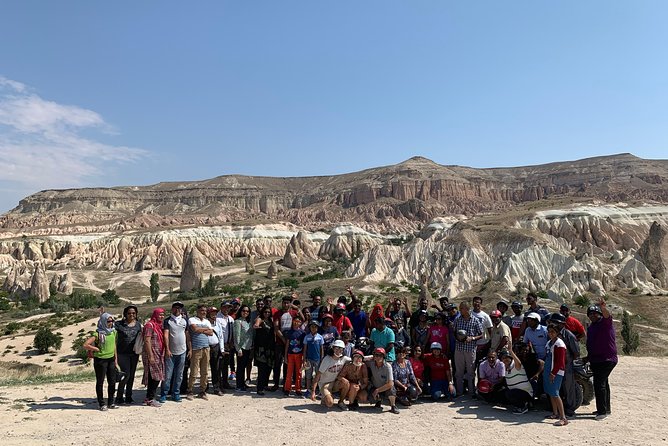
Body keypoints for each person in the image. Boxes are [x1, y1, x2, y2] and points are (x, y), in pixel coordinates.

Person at [583, 297, 617, 421]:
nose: (592, 315)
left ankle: (602, 412)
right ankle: (606, 409)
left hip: (607, 359)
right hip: (596, 359)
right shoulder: (591, 327)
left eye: (595, 313)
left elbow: (608, 316)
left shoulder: (604, 323)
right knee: (604, 384)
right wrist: (588, 357)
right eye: (590, 314)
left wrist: (603, 308)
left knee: (599, 384)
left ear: (599, 314)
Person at [84, 312, 118, 411]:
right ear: (103, 321)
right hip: (100, 361)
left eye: (112, 321)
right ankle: (101, 403)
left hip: (111, 359)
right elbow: (86, 344)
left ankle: (111, 402)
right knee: (100, 382)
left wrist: (116, 359)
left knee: (112, 382)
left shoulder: (113, 332)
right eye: (108, 321)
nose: (110, 323)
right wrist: (96, 349)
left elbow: (114, 346)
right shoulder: (97, 334)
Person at [549, 313, 580, 417]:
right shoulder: (552, 334)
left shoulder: (569, 335)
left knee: (568, 386)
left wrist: (568, 361)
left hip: (566, 365)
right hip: (554, 364)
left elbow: (576, 352)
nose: (553, 324)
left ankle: (570, 408)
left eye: (556, 323)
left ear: (562, 324)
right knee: (558, 387)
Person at [453, 301, 484, 396]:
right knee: (459, 372)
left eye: (461, 308)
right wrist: (457, 337)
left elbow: (482, 334)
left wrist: (472, 338)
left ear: (467, 309)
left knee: (470, 372)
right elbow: (454, 331)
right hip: (459, 348)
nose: (460, 310)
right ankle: (459, 392)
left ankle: (471, 392)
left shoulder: (475, 320)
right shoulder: (458, 320)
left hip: (470, 349)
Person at [161, 301, 188, 402]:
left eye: (179, 308)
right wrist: (167, 349)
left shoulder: (185, 321)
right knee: (168, 375)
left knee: (179, 374)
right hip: (170, 352)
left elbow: (187, 334)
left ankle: (176, 393)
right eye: (176, 308)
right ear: (172, 309)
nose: (178, 310)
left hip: (182, 351)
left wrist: (189, 348)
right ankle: (164, 393)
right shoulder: (168, 321)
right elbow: (166, 335)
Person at [310, 339, 350, 409]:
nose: (338, 351)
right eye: (337, 348)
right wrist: (313, 391)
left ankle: (340, 401)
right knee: (330, 403)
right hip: (324, 385)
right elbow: (318, 375)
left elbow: (358, 359)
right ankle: (324, 396)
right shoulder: (327, 359)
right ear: (333, 348)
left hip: (334, 383)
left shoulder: (344, 358)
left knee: (346, 382)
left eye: (341, 349)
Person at [115, 305, 141, 405]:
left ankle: (129, 397)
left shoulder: (138, 325)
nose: (131, 315)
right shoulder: (118, 325)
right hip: (122, 353)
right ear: (125, 314)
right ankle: (119, 396)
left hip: (134, 354)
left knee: (132, 375)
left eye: (133, 313)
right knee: (126, 375)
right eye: (129, 313)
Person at [187, 304, 213, 400]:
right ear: (197, 311)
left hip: (206, 348)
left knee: (205, 371)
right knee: (194, 371)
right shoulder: (192, 320)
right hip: (196, 349)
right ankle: (190, 390)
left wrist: (201, 330)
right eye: (202, 310)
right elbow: (194, 329)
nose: (204, 312)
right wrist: (206, 329)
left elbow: (211, 333)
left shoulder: (207, 321)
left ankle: (202, 390)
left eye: (205, 311)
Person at [544, 325, 568, 426]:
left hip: (556, 372)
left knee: (555, 393)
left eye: (553, 331)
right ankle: (555, 413)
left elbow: (560, 361)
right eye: (549, 331)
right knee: (550, 392)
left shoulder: (559, 344)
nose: (550, 333)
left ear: (557, 332)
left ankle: (563, 417)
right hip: (548, 369)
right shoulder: (549, 343)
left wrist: (554, 373)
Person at [141, 308, 166, 407]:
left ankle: (150, 397)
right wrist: (150, 356)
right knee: (154, 376)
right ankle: (150, 398)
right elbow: (147, 341)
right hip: (151, 353)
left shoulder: (159, 326)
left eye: (163, 315)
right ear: (155, 315)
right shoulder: (149, 325)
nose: (161, 316)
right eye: (159, 315)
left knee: (156, 376)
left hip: (158, 353)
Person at [273, 295, 297, 389]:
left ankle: (285, 383)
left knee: (287, 363)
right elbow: (276, 327)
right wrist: (283, 339)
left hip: (290, 343)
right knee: (277, 363)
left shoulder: (293, 313)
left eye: (288, 303)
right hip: (280, 342)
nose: (286, 304)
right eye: (284, 302)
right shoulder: (277, 314)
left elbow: (303, 319)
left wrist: (296, 307)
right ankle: (276, 383)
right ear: (282, 303)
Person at [366, 347, 400, 414]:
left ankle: (393, 405)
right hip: (375, 386)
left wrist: (378, 390)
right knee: (371, 398)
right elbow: (360, 358)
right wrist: (370, 357)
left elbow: (390, 383)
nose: (378, 357)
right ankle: (379, 401)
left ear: (384, 356)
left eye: (380, 355)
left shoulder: (388, 366)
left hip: (385, 388)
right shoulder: (371, 363)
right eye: (376, 355)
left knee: (391, 389)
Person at [500, 348, 533, 414]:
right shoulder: (506, 368)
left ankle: (523, 407)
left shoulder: (516, 366)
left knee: (510, 394)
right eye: (503, 358)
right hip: (516, 391)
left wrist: (511, 351)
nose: (505, 359)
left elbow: (519, 363)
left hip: (525, 392)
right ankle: (524, 404)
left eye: (507, 357)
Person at [253, 306, 275, 395]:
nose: (267, 313)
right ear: (262, 312)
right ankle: (260, 388)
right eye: (265, 312)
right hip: (261, 348)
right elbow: (256, 325)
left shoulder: (271, 321)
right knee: (262, 369)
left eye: (268, 312)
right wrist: (256, 326)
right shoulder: (260, 319)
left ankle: (265, 385)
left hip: (270, 347)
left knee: (268, 367)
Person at [282, 314, 306, 396]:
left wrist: (303, 358)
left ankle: (298, 389)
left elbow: (304, 346)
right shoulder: (289, 332)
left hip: (299, 355)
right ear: (292, 322)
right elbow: (287, 345)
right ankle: (287, 389)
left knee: (298, 372)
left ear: (300, 323)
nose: (296, 323)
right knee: (289, 373)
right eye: (295, 321)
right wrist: (285, 356)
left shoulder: (303, 333)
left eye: (298, 321)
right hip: (290, 354)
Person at [215, 301, 235, 390]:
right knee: (219, 365)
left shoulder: (230, 319)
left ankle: (225, 382)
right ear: (221, 307)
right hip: (219, 344)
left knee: (226, 364)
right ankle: (218, 384)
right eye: (225, 307)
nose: (227, 309)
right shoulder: (217, 318)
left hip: (228, 344)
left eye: (228, 307)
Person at [302, 320, 324, 398]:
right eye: (312, 327)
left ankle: (318, 390)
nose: (313, 328)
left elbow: (321, 349)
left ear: (317, 328)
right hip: (309, 359)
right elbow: (305, 349)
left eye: (315, 327)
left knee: (318, 375)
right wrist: (304, 360)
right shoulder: (307, 337)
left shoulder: (320, 337)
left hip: (317, 359)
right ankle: (308, 390)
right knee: (308, 375)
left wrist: (322, 359)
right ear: (309, 328)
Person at [234, 305, 253, 392]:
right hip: (241, 348)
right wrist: (239, 349)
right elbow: (236, 336)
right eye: (244, 311)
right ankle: (239, 385)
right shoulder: (238, 322)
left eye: (247, 311)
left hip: (248, 347)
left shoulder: (248, 322)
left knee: (244, 366)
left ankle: (242, 383)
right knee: (240, 367)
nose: (245, 312)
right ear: (240, 311)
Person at [206, 307, 225, 396]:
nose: (214, 315)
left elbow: (221, 336)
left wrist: (222, 349)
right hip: (206, 347)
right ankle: (205, 387)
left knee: (216, 369)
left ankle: (216, 388)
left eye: (215, 313)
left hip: (216, 347)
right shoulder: (205, 323)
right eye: (212, 313)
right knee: (204, 368)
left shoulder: (218, 324)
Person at [471, 296, 493, 364]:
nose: (476, 304)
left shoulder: (485, 316)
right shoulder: (469, 314)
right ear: (472, 303)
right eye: (475, 302)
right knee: (471, 364)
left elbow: (490, 329)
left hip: (482, 344)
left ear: (481, 304)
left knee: (481, 364)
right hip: (471, 344)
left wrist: (489, 342)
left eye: (478, 303)